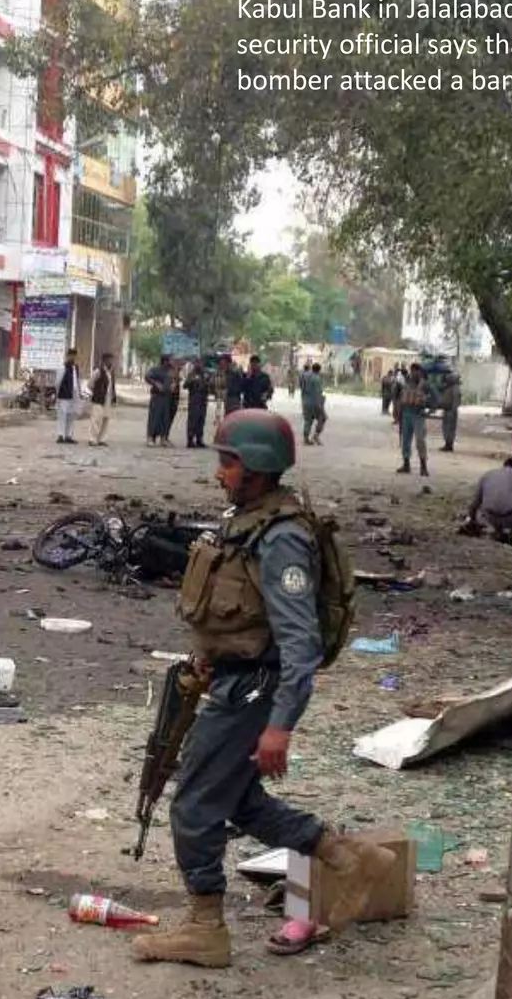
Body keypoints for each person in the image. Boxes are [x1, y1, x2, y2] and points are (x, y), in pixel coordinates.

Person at [131, 410, 396, 968]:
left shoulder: (281, 541)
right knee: (241, 802)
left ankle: (206, 928)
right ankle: (348, 857)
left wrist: (280, 726)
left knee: (195, 808)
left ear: (255, 468)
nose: (219, 473)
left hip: (253, 693)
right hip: (236, 682)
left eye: (228, 463)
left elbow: (299, 645)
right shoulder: (250, 521)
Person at [392, 363, 431, 477]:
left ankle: (423, 467)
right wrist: (398, 413)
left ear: (420, 372)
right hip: (406, 414)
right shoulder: (406, 383)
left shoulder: (425, 385)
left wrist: (428, 410)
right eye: (412, 371)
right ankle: (406, 464)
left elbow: (435, 398)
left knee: (420, 441)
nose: (413, 373)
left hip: (418, 415)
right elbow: (400, 397)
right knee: (405, 440)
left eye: (415, 371)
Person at [145, 354, 176, 447]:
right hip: (157, 397)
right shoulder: (155, 369)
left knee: (165, 418)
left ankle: (163, 438)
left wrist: (174, 384)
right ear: (165, 361)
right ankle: (150, 437)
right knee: (154, 417)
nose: (171, 362)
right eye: (170, 360)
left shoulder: (171, 371)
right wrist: (156, 383)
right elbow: (147, 376)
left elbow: (175, 379)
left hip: (167, 397)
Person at [88, 352, 118, 447]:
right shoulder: (98, 371)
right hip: (98, 399)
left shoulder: (111, 372)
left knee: (106, 419)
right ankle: (93, 439)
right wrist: (97, 392)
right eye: (109, 360)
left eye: (112, 360)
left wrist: (114, 397)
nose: (111, 362)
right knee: (96, 419)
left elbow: (112, 386)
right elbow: (90, 384)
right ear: (104, 361)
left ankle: (102, 439)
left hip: (108, 399)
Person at [54, 349, 83, 444]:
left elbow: (78, 380)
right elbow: (58, 381)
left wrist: (79, 392)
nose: (73, 358)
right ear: (67, 356)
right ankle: (61, 435)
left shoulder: (76, 367)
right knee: (63, 415)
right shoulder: (63, 367)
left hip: (74, 394)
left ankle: (68, 435)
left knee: (71, 415)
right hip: (64, 394)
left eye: (74, 356)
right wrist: (58, 393)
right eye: (71, 356)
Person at [183, 358, 211, 448]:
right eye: (197, 363)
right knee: (193, 419)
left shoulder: (206, 374)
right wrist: (193, 380)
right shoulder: (192, 374)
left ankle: (199, 439)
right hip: (194, 399)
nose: (199, 365)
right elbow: (185, 385)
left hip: (203, 399)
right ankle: (190, 439)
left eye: (201, 363)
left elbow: (210, 385)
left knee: (201, 419)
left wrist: (208, 382)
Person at [298, 362, 327, 445]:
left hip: (305, 401)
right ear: (319, 370)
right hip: (315, 402)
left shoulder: (304, 376)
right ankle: (316, 435)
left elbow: (301, 386)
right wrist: (321, 404)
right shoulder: (317, 379)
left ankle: (306, 439)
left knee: (308, 420)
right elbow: (318, 392)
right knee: (323, 418)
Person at [438, 366, 462, 452]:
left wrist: (453, 409)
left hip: (451, 410)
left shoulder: (455, 388)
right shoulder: (448, 387)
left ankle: (449, 444)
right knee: (446, 428)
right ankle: (447, 443)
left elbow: (456, 400)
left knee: (449, 428)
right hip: (447, 409)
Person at [222, 355, 245, 419]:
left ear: (229, 364)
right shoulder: (223, 374)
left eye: (224, 364)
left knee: (234, 419)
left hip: (234, 400)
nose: (222, 366)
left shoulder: (235, 374)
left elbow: (240, 387)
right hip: (227, 401)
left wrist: (228, 390)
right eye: (222, 364)